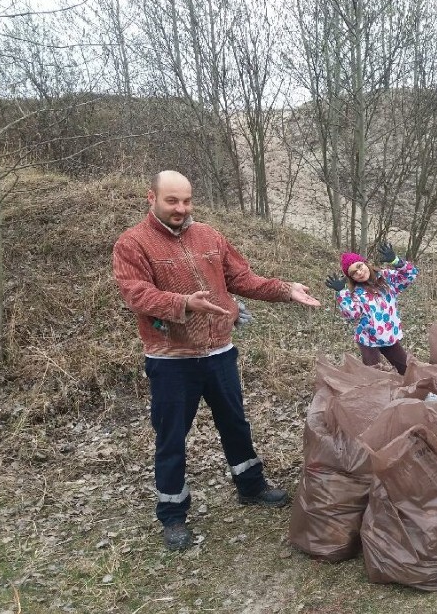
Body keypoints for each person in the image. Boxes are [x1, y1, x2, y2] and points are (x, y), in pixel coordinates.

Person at [113, 170, 321, 551]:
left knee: (234, 422)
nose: (181, 208)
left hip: (219, 351)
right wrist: (182, 304)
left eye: (187, 200)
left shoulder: (209, 235)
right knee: (172, 436)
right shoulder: (133, 243)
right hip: (171, 358)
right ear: (152, 198)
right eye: (172, 200)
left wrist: (285, 289)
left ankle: (251, 484)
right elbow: (135, 294)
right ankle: (173, 514)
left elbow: (242, 278)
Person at [325, 242, 418, 375]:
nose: (359, 272)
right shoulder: (356, 293)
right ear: (351, 278)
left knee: (408, 371)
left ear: (365, 263)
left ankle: (421, 393)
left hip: (388, 336)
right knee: (373, 376)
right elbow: (353, 314)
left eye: (359, 266)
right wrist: (341, 292)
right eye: (354, 273)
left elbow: (410, 275)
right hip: (368, 339)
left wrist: (396, 261)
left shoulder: (386, 278)